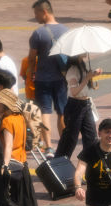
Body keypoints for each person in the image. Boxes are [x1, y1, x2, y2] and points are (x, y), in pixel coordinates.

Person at [27, 0, 68, 151]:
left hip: (43, 79)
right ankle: (64, 145)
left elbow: (32, 58)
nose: (36, 17)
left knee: (45, 112)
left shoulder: (39, 33)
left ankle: (49, 146)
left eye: (36, 13)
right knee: (62, 112)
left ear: (44, 12)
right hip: (62, 78)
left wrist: (30, 73)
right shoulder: (66, 30)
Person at [56, 54, 100, 159]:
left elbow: (84, 85)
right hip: (75, 106)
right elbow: (74, 92)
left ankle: (91, 165)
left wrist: (92, 75)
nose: (86, 51)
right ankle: (60, 163)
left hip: (86, 104)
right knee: (70, 139)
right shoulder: (72, 70)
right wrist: (87, 77)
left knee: (91, 136)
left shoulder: (82, 65)